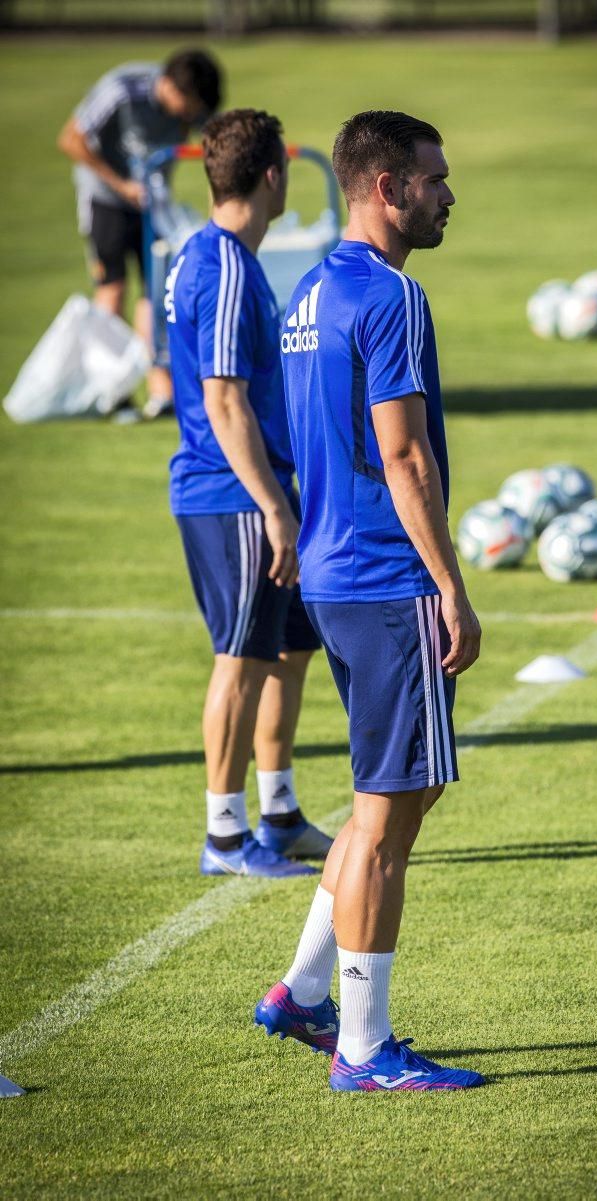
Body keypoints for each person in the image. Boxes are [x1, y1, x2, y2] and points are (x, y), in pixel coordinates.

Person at [254, 110, 485, 1089]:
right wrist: (449, 584)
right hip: (389, 584)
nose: (446, 194)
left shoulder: (307, 288)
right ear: (386, 187)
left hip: (333, 577)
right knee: (389, 827)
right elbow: (400, 452)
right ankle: (363, 1047)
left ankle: (302, 993)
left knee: (383, 801)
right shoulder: (392, 294)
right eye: (433, 179)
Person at [165, 107, 333, 877]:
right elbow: (224, 401)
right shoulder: (226, 265)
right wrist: (272, 507)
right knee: (239, 657)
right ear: (274, 176)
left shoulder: (211, 255)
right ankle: (225, 838)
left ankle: (279, 813)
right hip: (233, 495)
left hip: (263, 488)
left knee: (288, 650)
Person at [58, 49, 223, 422]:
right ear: (170, 85)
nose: (189, 115)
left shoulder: (192, 108)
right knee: (112, 288)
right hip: (105, 198)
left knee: (156, 288)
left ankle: (160, 390)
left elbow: (216, 142)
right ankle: (112, 390)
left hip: (152, 202)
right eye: (188, 106)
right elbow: (70, 139)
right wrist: (121, 185)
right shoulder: (121, 90)